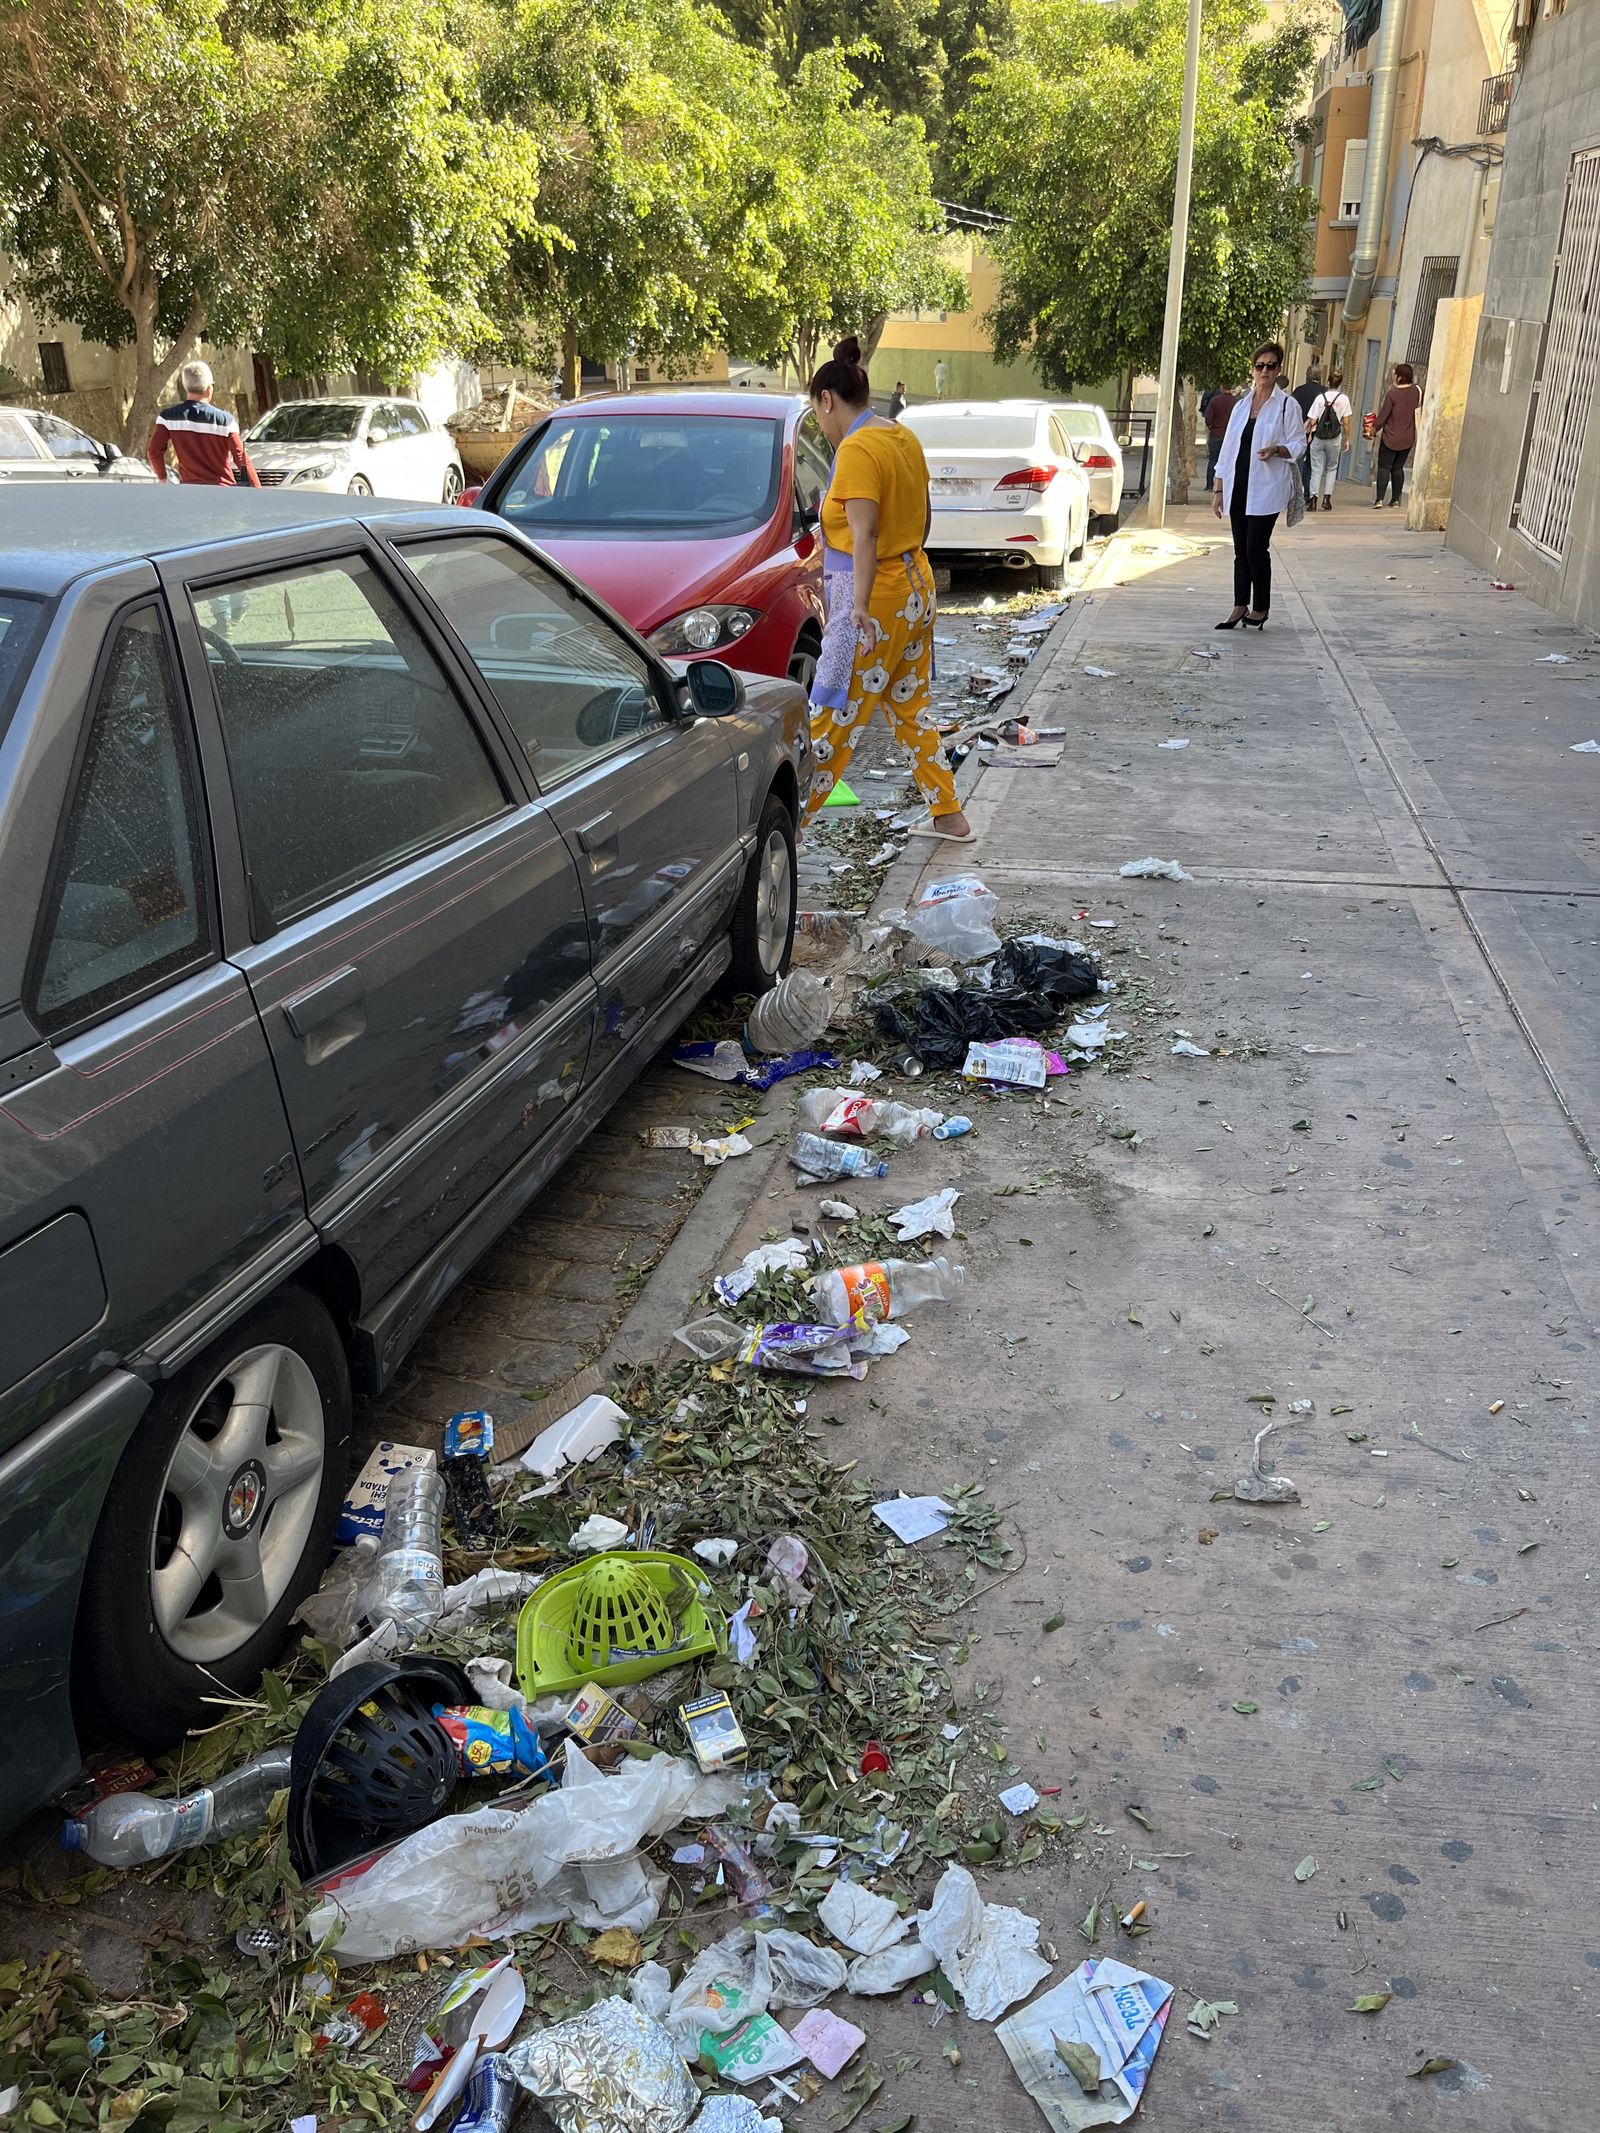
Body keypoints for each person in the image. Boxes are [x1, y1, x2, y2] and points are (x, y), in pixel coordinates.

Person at [802, 334, 971, 842]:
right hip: (916, 587)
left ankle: (784, 830)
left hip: (870, 602)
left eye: (817, 414)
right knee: (909, 706)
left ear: (827, 400)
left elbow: (865, 533)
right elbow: (922, 519)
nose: (821, 427)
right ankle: (948, 813)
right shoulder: (901, 436)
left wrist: (857, 607)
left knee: (831, 714)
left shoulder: (855, 449)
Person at [1211, 340, 1305, 631]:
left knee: (1256, 547)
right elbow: (1227, 449)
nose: (1265, 371)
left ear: (1279, 369)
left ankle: (1261, 607)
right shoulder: (1241, 405)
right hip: (1238, 484)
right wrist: (1218, 488)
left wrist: (1277, 450)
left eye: (1271, 366)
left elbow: (1299, 444)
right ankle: (1240, 605)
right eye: (1260, 366)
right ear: (1252, 369)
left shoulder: (1287, 406)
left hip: (1266, 487)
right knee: (1240, 549)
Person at [148, 360, 260, 486]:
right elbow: (241, 458)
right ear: (209, 388)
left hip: (190, 492)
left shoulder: (168, 418)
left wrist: (164, 480)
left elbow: (154, 451)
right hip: (222, 491)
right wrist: (258, 492)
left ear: (186, 387)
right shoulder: (225, 421)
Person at [1369, 361, 1422, 508]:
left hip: (1390, 437)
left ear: (1399, 377)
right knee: (1398, 468)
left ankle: (1379, 499)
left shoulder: (1393, 394)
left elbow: (1384, 415)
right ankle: (1395, 500)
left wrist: (1374, 428)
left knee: (1385, 467)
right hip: (1407, 438)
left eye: (1395, 374)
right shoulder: (1417, 392)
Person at [1304, 370, 1352, 510]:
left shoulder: (1320, 398)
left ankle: (1313, 500)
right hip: (1335, 438)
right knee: (1332, 468)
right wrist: (1347, 439)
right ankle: (1327, 499)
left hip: (1319, 437)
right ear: (1340, 384)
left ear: (1328, 382)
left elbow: (1312, 421)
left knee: (1316, 469)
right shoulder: (1344, 399)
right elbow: (1346, 422)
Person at [1291, 366, 1323, 502]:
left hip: (1300, 430)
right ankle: (1309, 492)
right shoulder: (1324, 392)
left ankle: (1296, 491)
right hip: (1319, 432)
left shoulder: (1299, 391)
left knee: (1298, 461)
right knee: (1312, 462)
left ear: (1307, 376)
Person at [1203, 382, 1238, 488]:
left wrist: (1211, 426)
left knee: (1213, 460)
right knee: (1229, 461)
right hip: (1230, 436)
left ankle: (1209, 485)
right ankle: (1226, 485)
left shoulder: (1215, 401)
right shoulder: (1236, 402)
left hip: (1216, 434)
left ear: (1221, 387)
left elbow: (1208, 419)